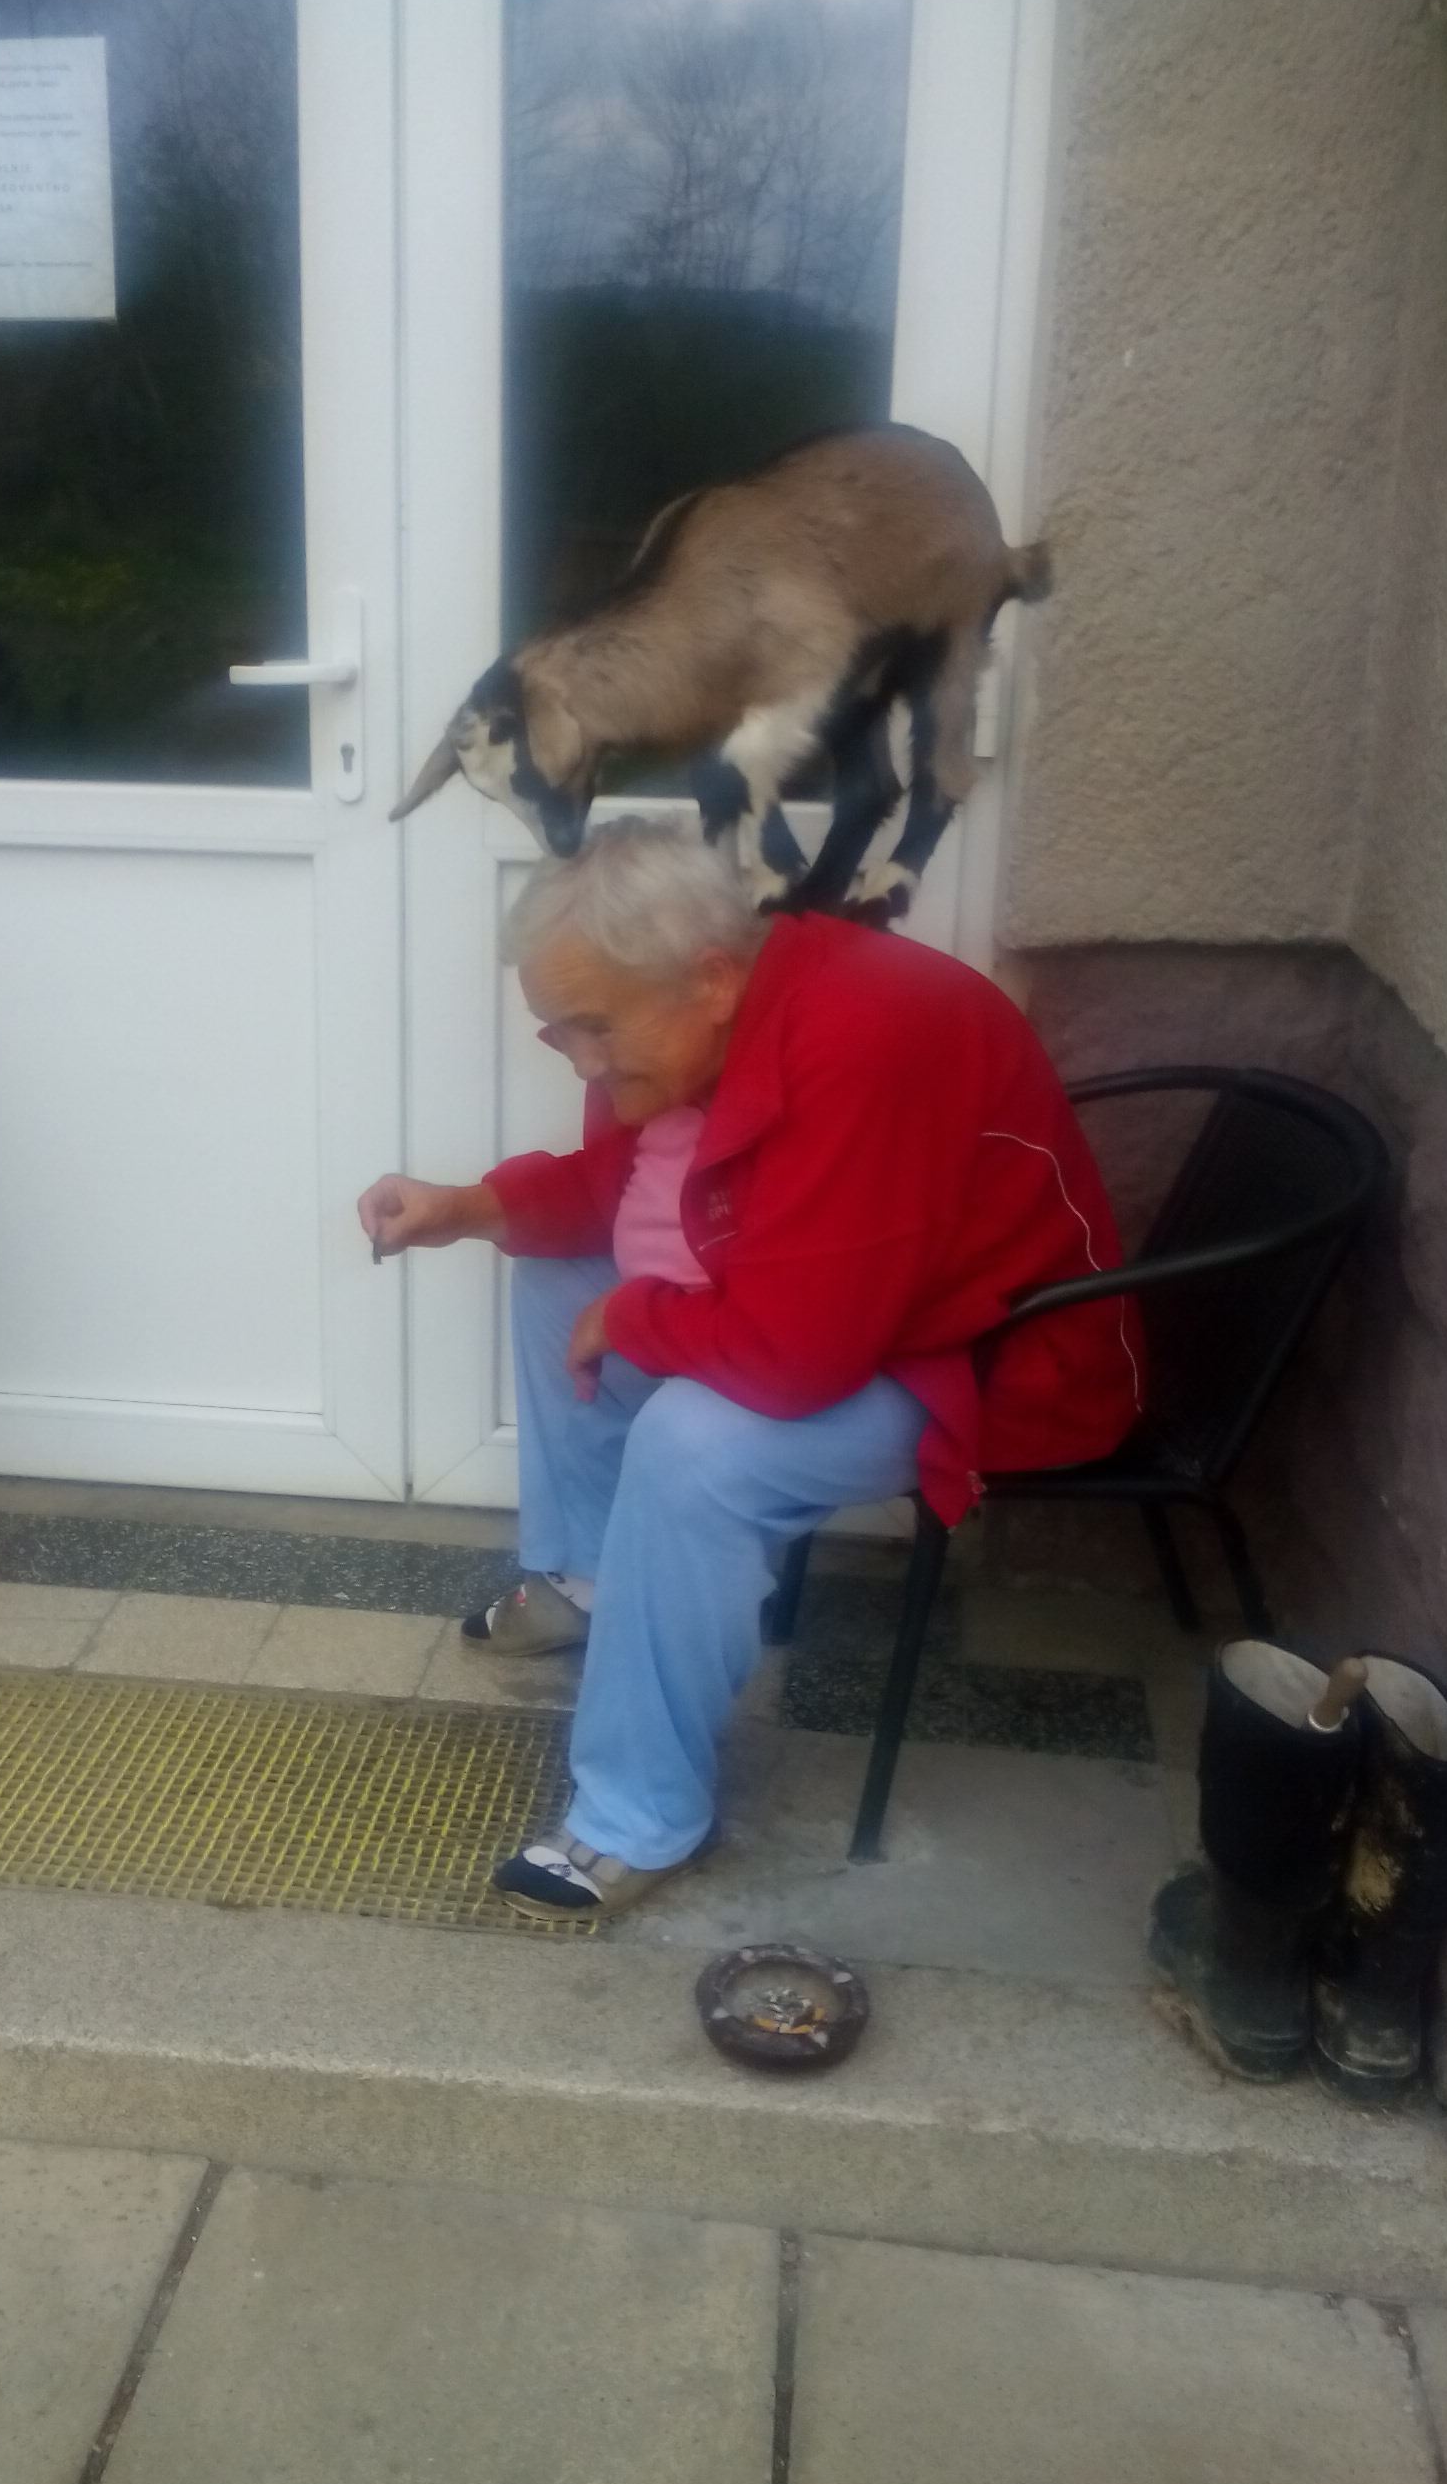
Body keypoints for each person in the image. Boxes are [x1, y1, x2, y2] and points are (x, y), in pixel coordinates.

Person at [358, 820, 1140, 1920]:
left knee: (695, 1441)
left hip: (980, 1357)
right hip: (843, 1313)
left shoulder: (866, 1032)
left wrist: (635, 1316)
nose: (583, 1062)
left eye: (592, 1029)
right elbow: (617, 1191)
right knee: (554, 1284)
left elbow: (794, 1363)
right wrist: (470, 1208)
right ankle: (590, 1581)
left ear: (712, 980)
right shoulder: (688, 1016)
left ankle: (635, 1816)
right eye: (559, 1036)